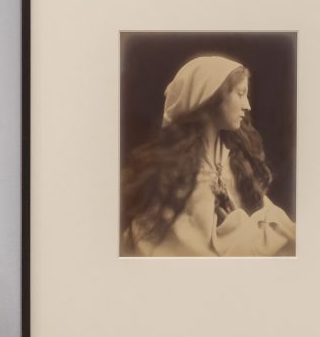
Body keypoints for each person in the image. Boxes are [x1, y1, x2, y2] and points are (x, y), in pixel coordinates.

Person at [121, 54, 296, 257]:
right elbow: (197, 254)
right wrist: (251, 232)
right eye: (240, 94)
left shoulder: (234, 159)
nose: (247, 105)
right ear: (211, 99)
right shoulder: (177, 177)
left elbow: (282, 226)